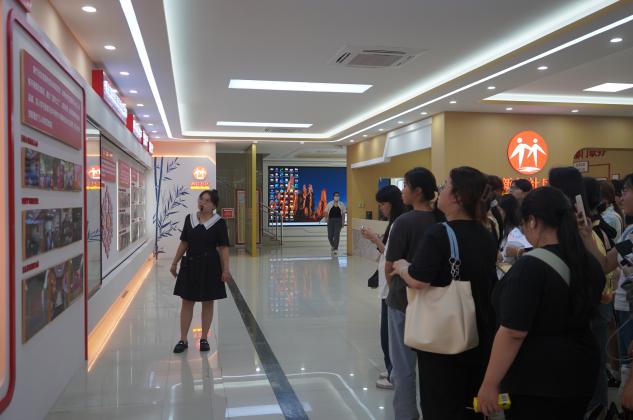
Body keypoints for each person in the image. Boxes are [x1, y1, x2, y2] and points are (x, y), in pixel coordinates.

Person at [476, 186, 604, 419]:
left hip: (537, 380)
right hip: (581, 373)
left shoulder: (530, 267)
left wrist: (489, 384)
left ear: (533, 221)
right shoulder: (587, 261)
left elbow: (513, 332)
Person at [393, 166, 497, 420]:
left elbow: (418, 280)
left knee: (439, 404)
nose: (440, 190)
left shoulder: (440, 233)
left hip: (443, 338)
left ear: (458, 196)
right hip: (480, 332)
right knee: (469, 403)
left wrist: (402, 267)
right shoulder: (486, 232)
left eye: (446, 185)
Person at [385, 167, 442, 420]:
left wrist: (394, 287)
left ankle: (407, 415)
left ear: (418, 191)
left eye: (406, 186)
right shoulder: (441, 221)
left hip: (402, 301)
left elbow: (390, 266)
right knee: (432, 364)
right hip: (434, 302)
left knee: (403, 365)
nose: (402, 191)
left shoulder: (404, 222)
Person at [170, 189, 231, 354]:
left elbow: (224, 248)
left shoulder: (219, 222)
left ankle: (204, 338)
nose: (202, 202)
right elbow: (184, 243)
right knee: (187, 302)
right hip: (190, 264)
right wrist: (174, 263)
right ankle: (183, 339)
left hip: (210, 266)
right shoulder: (189, 219)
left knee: (208, 302)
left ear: (214, 206)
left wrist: (226, 269)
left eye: (207, 200)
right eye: (201, 199)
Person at [361, 185, 407, 390]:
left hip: (392, 287)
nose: (380, 208)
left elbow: (390, 255)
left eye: (382, 204)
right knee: (387, 333)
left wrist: (375, 239)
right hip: (388, 286)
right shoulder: (396, 222)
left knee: (389, 335)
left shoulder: (400, 223)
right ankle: (392, 370)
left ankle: (394, 374)